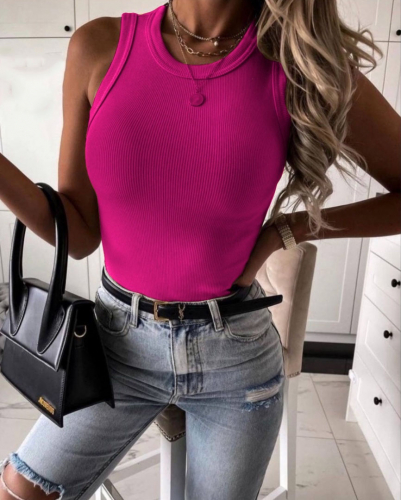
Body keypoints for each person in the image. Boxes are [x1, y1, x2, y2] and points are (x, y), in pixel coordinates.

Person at [0, 0, 400, 499]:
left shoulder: (299, 61)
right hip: (115, 344)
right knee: (20, 490)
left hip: (233, 359)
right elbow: (79, 236)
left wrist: (289, 229)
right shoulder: (99, 47)